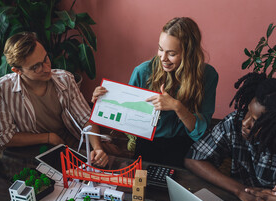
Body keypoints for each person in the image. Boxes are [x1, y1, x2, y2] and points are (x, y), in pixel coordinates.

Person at [92, 17, 218, 167]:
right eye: (160, 49)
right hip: (148, 142)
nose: (163, 58)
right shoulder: (142, 71)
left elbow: (200, 132)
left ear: (189, 53)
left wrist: (177, 107)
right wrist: (103, 101)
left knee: (179, 183)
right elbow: (125, 117)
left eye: (171, 53)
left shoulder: (208, 76)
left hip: (185, 144)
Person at [184, 72, 276, 201]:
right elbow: (194, 158)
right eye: (248, 111)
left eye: (255, 121)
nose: (245, 123)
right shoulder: (235, 122)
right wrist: (241, 190)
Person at [0, 32, 108, 167]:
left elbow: (85, 118)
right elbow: (5, 137)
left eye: (46, 59)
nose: (47, 69)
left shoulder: (65, 79)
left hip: (69, 142)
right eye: (36, 67)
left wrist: (97, 148)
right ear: (17, 71)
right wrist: (48, 137)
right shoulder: (3, 89)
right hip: (31, 151)